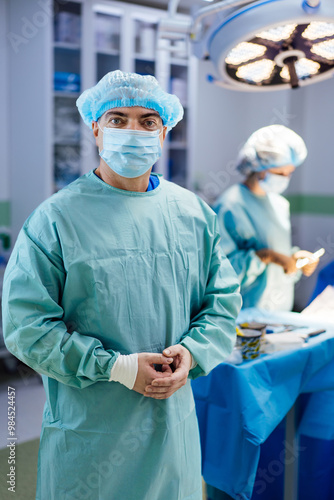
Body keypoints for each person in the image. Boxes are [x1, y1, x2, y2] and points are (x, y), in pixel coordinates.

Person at [2, 70, 242, 500]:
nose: (134, 131)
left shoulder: (193, 214)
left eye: (148, 121)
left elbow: (221, 300)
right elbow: (26, 326)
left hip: (172, 429)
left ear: (164, 131)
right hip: (92, 433)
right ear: (95, 128)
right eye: (118, 119)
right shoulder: (55, 219)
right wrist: (116, 367)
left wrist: (194, 351)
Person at [214, 124, 319, 311]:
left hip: (279, 311)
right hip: (245, 315)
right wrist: (266, 256)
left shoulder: (279, 204)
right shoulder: (231, 205)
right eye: (280, 173)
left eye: (290, 173)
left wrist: (294, 259)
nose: (286, 178)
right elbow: (220, 272)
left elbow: (278, 253)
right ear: (259, 167)